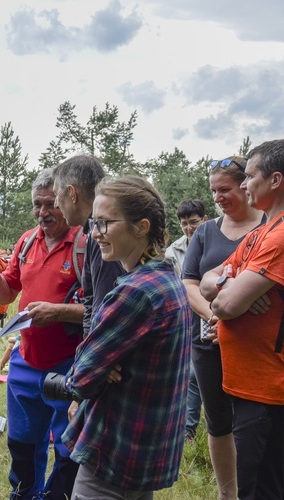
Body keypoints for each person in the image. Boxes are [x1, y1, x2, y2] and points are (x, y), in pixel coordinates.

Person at [184, 155, 284, 500]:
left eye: (248, 178)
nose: (246, 185)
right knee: (263, 476)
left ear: (275, 180)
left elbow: (227, 304)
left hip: (264, 379)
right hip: (243, 374)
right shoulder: (261, 234)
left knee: (263, 480)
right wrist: (232, 288)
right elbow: (204, 283)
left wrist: (231, 296)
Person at [63, 175, 191, 499]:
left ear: (141, 227)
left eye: (104, 223)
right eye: (93, 223)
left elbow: (80, 378)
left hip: (115, 454)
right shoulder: (167, 279)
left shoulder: (135, 293)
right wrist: (102, 366)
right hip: (144, 450)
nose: (95, 234)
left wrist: (95, 369)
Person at [0, 168, 85, 499]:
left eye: (51, 204)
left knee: (68, 450)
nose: (43, 213)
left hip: (68, 363)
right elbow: (7, 294)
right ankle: (24, 495)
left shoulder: (84, 244)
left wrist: (59, 312)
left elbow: (102, 309)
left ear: (66, 201)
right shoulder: (26, 241)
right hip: (25, 361)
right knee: (22, 443)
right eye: (38, 204)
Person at [52, 155, 125, 338]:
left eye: (56, 195)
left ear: (72, 193)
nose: (56, 203)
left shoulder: (101, 235)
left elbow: (104, 308)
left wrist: (94, 358)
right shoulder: (97, 230)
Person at [165, 199, 208, 444]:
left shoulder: (216, 238)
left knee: (199, 373)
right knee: (191, 374)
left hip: (214, 309)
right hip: (187, 314)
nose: (189, 228)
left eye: (193, 222)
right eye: (184, 224)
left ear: (204, 219)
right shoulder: (175, 250)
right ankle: (188, 432)